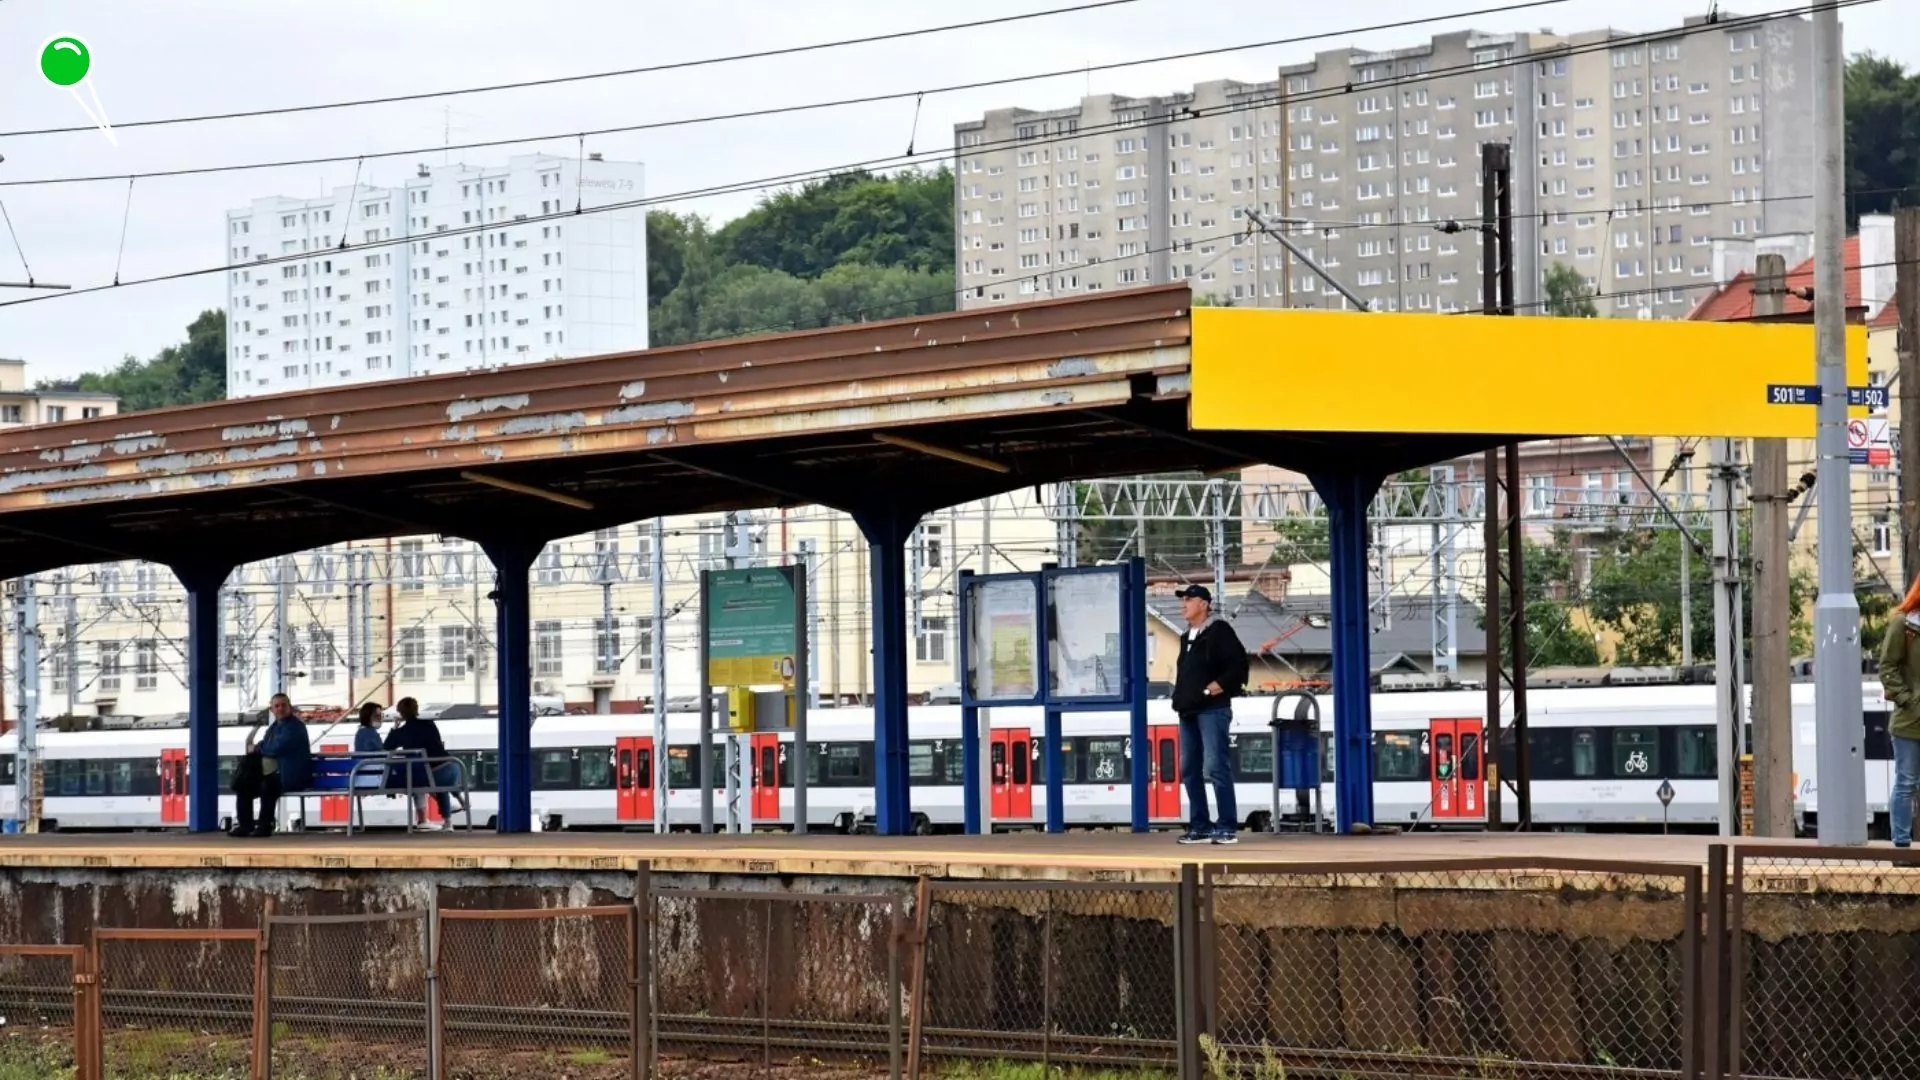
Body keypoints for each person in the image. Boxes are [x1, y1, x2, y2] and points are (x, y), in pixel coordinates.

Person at [1170, 584, 1249, 845]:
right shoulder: (1185, 636)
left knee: (1215, 766)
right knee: (1189, 769)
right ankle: (1200, 825)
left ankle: (1227, 825)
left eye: (1189, 600)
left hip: (1212, 709)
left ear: (1204, 604)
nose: (1184, 604)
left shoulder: (1219, 631)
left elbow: (1238, 665)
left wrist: (1213, 689)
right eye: (1183, 600)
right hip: (1188, 709)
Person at [231, 694, 312, 838]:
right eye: (277, 706)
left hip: (291, 775)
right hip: (277, 774)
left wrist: (260, 748)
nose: (280, 708)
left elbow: (277, 747)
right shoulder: (274, 726)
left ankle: (264, 826)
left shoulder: (295, 727)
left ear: (290, 707)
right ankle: (245, 826)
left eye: (283, 705)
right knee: (244, 787)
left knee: (267, 785)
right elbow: (265, 743)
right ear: (272, 709)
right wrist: (262, 747)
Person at [1878, 579, 1920, 847]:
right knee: (1907, 782)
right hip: (1910, 720)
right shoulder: (1904, 624)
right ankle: (1902, 845)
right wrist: (1909, 700)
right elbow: (1887, 667)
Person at [385, 697, 456, 831]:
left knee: (418, 778)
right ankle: (449, 820)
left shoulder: (403, 731)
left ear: (400, 713)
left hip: (432, 775)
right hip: (453, 768)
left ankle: (424, 819)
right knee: (440, 784)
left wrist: (395, 727)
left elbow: (387, 746)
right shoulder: (430, 724)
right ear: (416, 709)